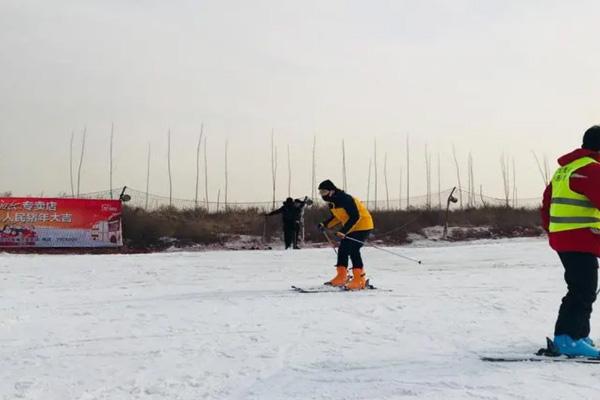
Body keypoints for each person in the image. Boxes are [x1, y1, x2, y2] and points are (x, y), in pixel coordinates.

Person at [541, 125, 600, 357]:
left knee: (584, 286)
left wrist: (554, 231)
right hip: (579, 238)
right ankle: (567, 338)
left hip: (566, 238)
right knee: (582, 289)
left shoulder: (564, 170)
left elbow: (546, 205)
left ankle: (579, 335)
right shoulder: (591, 169)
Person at [317, 180, 374, 290]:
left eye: (324, 192)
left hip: (363, 225)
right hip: (351, 227)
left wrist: (343, 230)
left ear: (331, 191)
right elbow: (337, 217)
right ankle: (341, 277)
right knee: (343, 249)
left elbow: (355, 216)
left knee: (353, 249)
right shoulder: (332, 203)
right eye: (320, 192)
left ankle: (359, 279)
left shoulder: (345, 199)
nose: (322, 195)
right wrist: (324, 224)